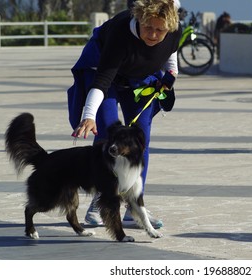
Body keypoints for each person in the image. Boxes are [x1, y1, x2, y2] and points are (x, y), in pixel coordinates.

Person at [67, 0, 182, 228]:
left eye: (160, 30)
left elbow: (171, 56)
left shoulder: (172, 30)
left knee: (141, 138)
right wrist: (89, 116)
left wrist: (170, 77)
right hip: (104, 70)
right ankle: (103, 200)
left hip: (138, 75)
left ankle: (134, 206)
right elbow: (101, 83)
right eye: (148, 27)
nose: (153, 34)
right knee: (110, 133)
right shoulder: (121, 34)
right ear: (138, 19)